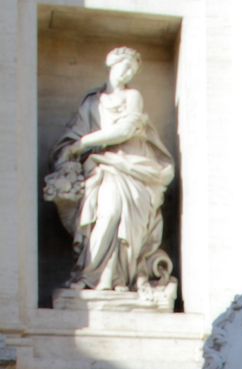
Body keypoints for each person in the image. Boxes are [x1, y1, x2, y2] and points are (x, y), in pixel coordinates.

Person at [46, 46, 175, 292]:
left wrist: (82, 144)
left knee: (120, 215)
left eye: (132, 70)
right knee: (105, 214)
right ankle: (93, 275)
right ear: (111, 64)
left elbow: (125, 131)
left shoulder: (133, 96)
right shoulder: (92, 102)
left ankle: (117, 278)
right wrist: (67, 151)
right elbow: (71, 136)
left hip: (129, 168)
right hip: (99, 169)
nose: (127, 73)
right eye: (124, 66)